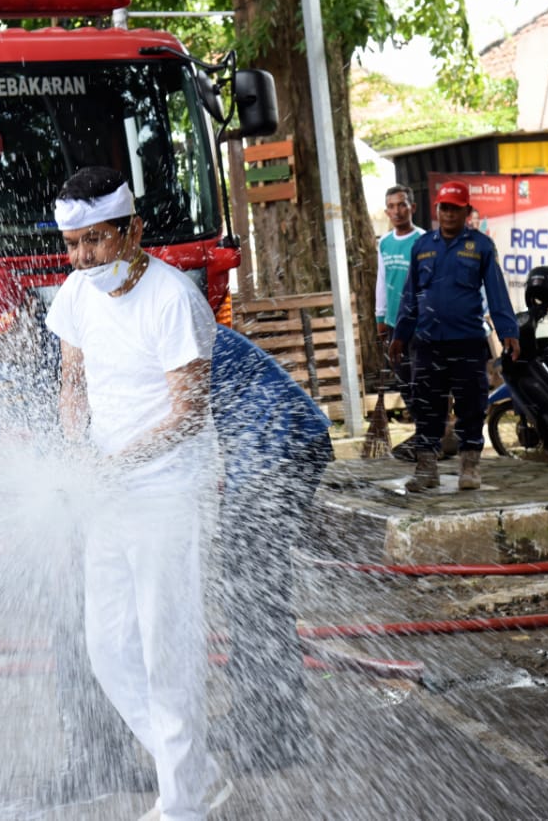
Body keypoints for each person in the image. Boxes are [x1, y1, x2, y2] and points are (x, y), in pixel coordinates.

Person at [45, 166, 230, 821]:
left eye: (95, 241)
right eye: (73, 244)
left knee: (164, 648)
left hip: (167, 491)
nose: (83, 257)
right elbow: (74, 381)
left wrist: (117, 465)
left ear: (133, 231)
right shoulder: (74, 294)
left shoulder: (173, 298)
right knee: (108, 648)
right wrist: (75, 451)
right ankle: (195, 770)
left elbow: (186, 412)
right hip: (109, 491)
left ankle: (182, 803)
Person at [0, 267, 153, 804]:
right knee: (70, 639)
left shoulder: (75, 350)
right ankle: (89, 757)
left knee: (118, 636)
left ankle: (139, 753)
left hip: (107, 510)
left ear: (22, 319)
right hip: (55, 519)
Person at [209, 323, 333, 774]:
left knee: (256, 594)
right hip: (269, 446)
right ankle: (255, 714)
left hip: (281, 445)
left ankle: (278, 736)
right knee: (242, 589)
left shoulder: (161, 322)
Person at [389, 180, 520, 492]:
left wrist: (508, 332)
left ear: (467, 211)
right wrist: (400, 333)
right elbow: (411, 294)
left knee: (471, 405)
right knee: (426, 405)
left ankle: (469, 466)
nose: (448, 214)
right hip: (428, 342)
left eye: (455, 209)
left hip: (468, 341)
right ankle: (427, 469)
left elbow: (497, 292)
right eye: (444, 208)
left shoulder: (481, 246)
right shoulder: (422, 247)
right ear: (437, 210)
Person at [376, 185, 425, 460]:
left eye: (402, 205)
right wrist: (380, 317)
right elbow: (382, 282)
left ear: (412, 208)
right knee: (404, 379)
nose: (397, 211)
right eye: (392, 206)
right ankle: (424, 433)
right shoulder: (384, 243)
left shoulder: (424, 240)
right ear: (387, 212)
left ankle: (432, 434)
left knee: (422, 380)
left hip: (420, 324)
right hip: (395, 323)